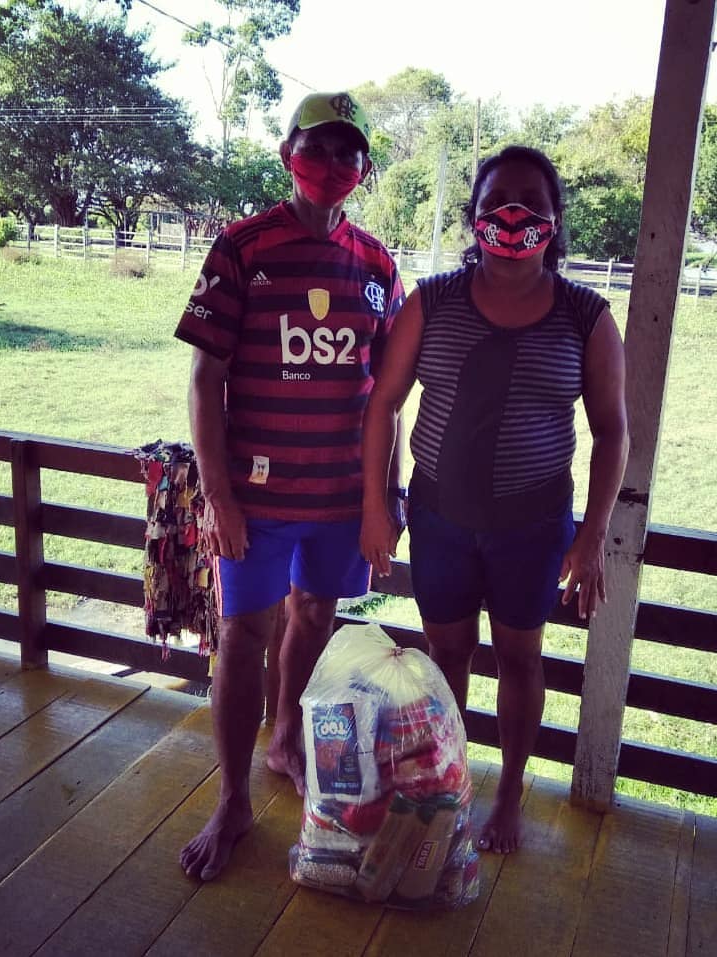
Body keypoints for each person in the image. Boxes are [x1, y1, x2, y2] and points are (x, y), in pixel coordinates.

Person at [359, 145, 629, 854]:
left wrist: (591, 536)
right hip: (439, 518)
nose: (512, 215)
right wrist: (377, 505)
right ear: (473, 215)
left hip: (532, 525)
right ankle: (447, 781)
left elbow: (612, 432)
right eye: (496, 202)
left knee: (519, 659)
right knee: (446, 653)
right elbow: (384, 404)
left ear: (554, 218)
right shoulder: (432, 302)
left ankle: (508, 792)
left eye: (529, 203)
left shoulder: (587, 316)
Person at [175, 91, 406, 881]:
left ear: (363, 168)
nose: (333, 164)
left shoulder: (377, 264)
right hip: (255, 497)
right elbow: (205, 379)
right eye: (318, 147)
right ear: (287, 154)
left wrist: (387, 498)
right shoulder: (241, 247)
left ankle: (284, 744)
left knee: (313, 616)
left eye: (349, 152)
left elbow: (388, 397)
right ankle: (231, 799)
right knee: (243, 633)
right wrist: (218, 498)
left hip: (341, 497)